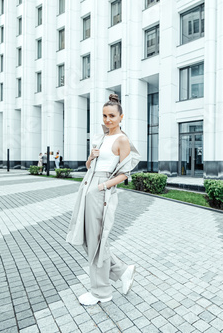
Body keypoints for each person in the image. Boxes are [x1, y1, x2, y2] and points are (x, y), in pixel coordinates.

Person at [66, 94, 141, 306]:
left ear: (121, 117)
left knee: (97, 242)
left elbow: (125, 173)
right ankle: (122, 271)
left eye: (112, 116)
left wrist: (102, 186)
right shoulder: (100, 138)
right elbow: (90, 166)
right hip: (88, 186)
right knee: (89, 239)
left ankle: (101, 292)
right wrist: (91, 157)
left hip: (101, 190)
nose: (107, 120)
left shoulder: (122, 140)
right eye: (104, 116)